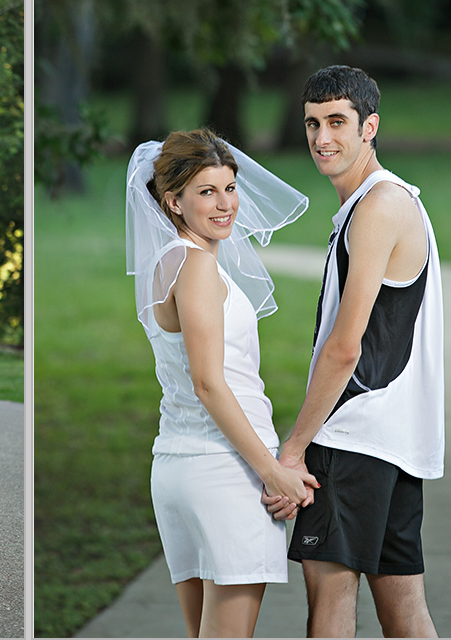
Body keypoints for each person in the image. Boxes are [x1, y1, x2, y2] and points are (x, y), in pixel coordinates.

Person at [263, 65, 444, 637]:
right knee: (406, 611)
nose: (322, 138)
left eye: (338, 122)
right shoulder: (384, 202)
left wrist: (293, 448)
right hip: (392, 442)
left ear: (371, 127)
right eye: (313, 123)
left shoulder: (378, 206)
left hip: (353, 436)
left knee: (331, 608)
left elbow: (345, 348)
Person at [126, 129, 318, 637]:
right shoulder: (195, 267)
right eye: (206, 192)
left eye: (229, 188)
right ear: (174, 200)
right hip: (225, 474)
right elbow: (209, 383)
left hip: (175, 467)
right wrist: (272, 473)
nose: (225, 203)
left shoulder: (162, 264)